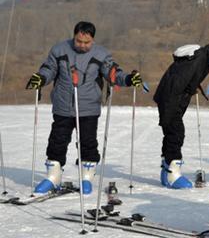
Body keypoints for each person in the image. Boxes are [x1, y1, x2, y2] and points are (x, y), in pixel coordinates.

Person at [25, 21, 142, 195]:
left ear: (92, 40)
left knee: (88, 143)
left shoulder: (101, 54)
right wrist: (41, 78)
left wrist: (127, 79)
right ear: (75, 36)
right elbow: (49, 68)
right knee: (57, 141)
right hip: (63, 106)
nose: (82, 45)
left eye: (86, 42)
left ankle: (86, 178)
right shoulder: (59, 49)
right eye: (79, 41)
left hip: (89, 107)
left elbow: (113, 73)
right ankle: (53, 177)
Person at [153, 43, 209, 189]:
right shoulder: (198, 60)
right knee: (176, 133)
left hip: (173, 99)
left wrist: (192, 87)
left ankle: (166, 173)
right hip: (170, 100)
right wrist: (169, 112)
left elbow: (185, 79)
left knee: (172, 134)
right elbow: (176, 83)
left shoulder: (204, 59)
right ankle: (172, 175)